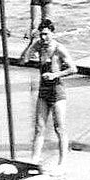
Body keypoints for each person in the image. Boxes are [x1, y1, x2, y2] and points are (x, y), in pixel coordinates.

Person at [21, 19, 77, 170]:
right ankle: (34, 160)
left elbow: (73, 69)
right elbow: (23, 60)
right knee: (39, 128)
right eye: (41, 35)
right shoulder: (39, 45)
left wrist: (55, 75)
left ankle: (62, 162)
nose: (44, 38)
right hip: (43, 92)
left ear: (52, 33)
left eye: (46, 34)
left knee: (60, 128)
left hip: (57, 92)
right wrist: (32, 44)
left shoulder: (59, 49)